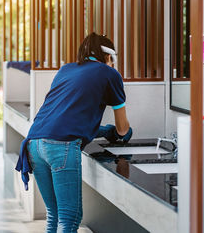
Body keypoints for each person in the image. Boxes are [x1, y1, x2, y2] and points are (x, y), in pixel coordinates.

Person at [15, 32, 133, 233]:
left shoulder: (65, 70)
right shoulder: (109, 74)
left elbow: (65, 118)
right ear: (107, 55)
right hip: (61, 147)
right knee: (70, 218)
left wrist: (104, 132)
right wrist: (123, 133)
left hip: (34, 144)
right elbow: (123, 129)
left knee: (54, 215)